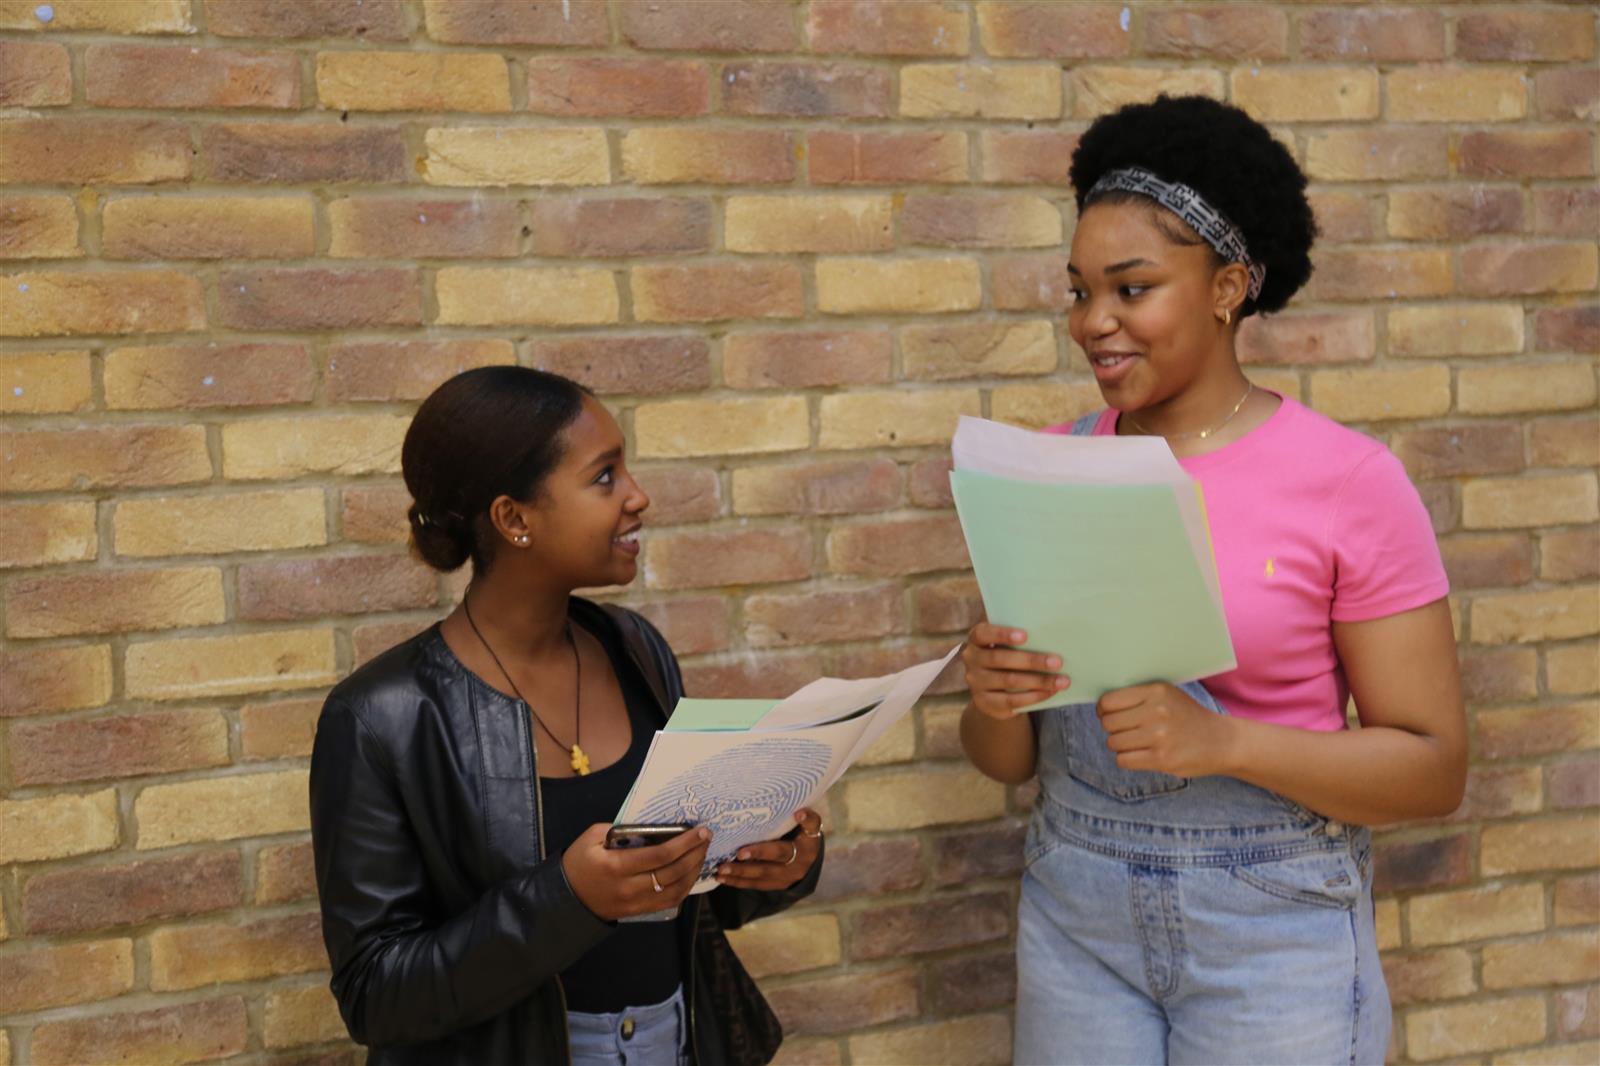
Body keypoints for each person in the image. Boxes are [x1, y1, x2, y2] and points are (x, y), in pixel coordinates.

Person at [959, 96, 1465, 1065]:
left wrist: (1222, 740)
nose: (1093, 322)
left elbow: (1433, 768)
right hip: (1076, 923)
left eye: (1131, 288)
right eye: (1078, 291)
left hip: (1274, 935)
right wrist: (991, 700)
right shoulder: (1049, 468)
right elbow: (1009, 761)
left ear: (1227, 286)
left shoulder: (1349, 482)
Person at [310, 366, 824, 1066]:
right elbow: (375, 994)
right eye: (604, 477)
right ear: (514, 519)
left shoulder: (635, 650)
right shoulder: (383, 718)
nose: (638, 496)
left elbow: (693, 893)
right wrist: (566, 899)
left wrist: (779, 860)